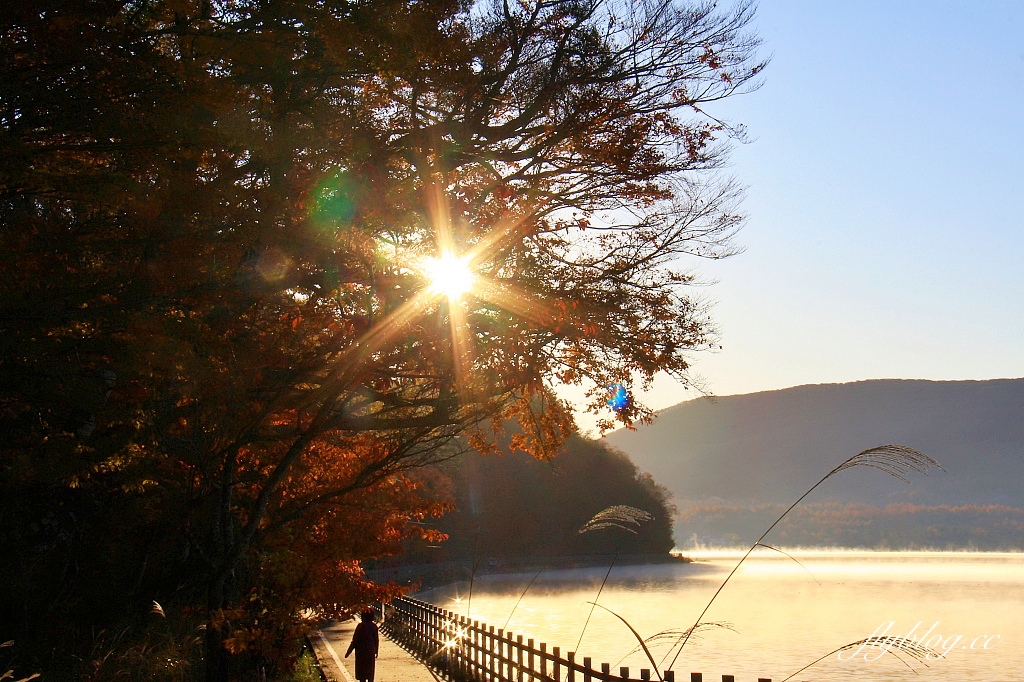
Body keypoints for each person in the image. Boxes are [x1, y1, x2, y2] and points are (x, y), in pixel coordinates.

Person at [345, 609, 379, 682]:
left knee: (362, 673)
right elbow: (376, 640)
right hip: (370, 651)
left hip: (361, 652)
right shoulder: (374, 626)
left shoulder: (360, 626)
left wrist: (348, 652)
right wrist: (376, 651)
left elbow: (355, 641)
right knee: (370, 672)